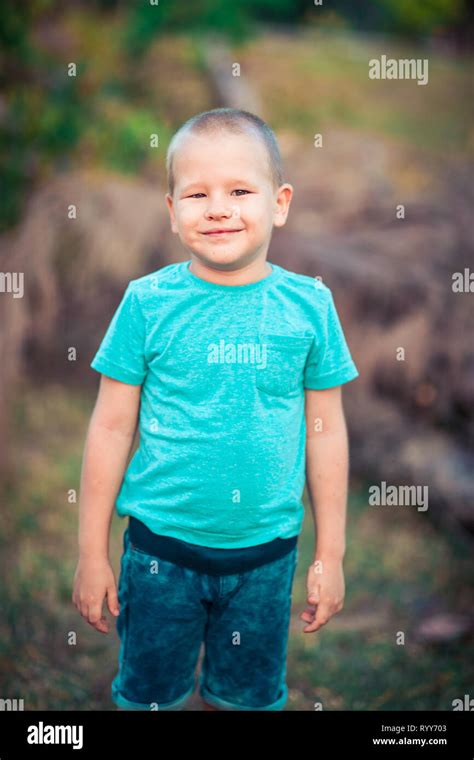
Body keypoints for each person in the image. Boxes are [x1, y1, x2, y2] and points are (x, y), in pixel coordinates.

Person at [72, 108, 359, 711]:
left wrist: (330, 556)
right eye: (197, 193)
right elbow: (110, 426)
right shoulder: (147, 304)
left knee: (246, 701)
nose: (218, 208)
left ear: (279, 203)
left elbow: (326, 432)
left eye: (239, 191)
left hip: (267, 560)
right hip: (159, 558)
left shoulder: (309, 307)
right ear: (172, 210)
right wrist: (90, 553)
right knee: (153, 698)